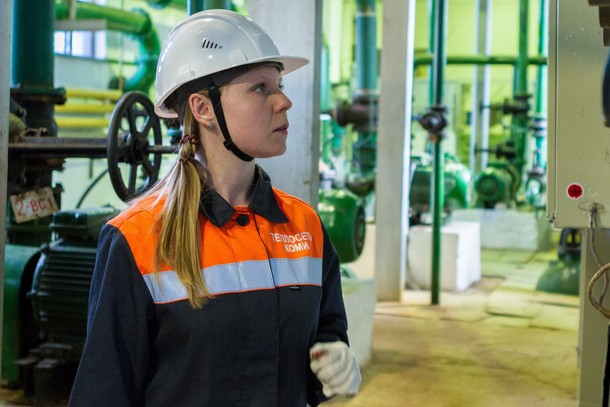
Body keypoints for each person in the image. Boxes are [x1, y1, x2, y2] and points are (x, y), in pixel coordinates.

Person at [68, 9, 361, 407]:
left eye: (279, 85)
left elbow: (325, 333)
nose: (284, 101)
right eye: (260, 88)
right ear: (203, 108)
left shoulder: (303, 226)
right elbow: (104, 392)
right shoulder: (136, 239)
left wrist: (335, 358)